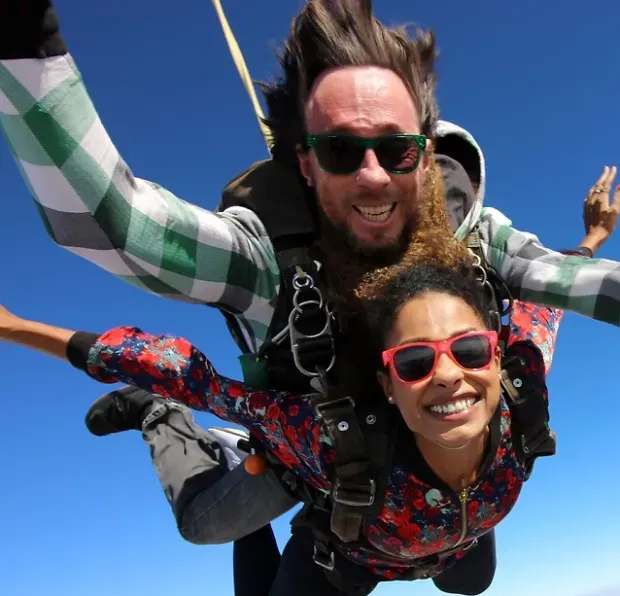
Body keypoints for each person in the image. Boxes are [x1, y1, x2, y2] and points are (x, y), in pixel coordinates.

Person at [1, 0, 620, 548]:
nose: (373, 176)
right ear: (305, 164)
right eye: (341, 151)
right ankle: (156, 417)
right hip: (307, 448)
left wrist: (591, 240)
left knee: (467, 562)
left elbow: (561, 288)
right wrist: (25, 43)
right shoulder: (270, 264)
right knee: (205, 525)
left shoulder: (477, 241)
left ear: (426, 155)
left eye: (396, 149)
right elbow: (117, 226)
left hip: (428, 463)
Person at [0, 237, 566, 596]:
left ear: (496, 356)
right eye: (415, 363)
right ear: (388, 384)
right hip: (350, 551)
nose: (447, 375)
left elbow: (551, 301)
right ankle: (175, 431)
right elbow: (197, 383)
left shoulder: (523, 398)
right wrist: (19, 327)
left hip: (450, 537)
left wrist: (589, 241)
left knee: (470, 581)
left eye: (469, 350)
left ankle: (442, 535)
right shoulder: (335, 436)